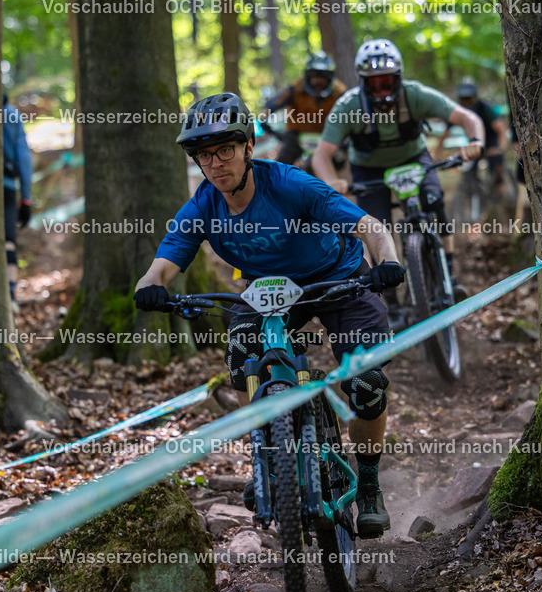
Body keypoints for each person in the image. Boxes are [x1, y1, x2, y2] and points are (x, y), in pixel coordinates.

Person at [133, 92, 405, 538]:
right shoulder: (204, 205)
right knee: (242, 356)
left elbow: (368, 226)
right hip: (270, 292)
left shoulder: (290, 185)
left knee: (367, 382)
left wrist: (387, 262)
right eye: (205, 154)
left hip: (338, 277)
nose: (216, 162)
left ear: (247, 147)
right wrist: (150, 288)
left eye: (225, 149)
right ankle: (265, 458)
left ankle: (369, 486)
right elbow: (164, 263)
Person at [311, 39, 485, 317]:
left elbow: (467, 117)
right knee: (375, 227)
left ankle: (449, 274)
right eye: (374, 84)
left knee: (434, 202)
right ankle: (390, 300)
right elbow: (321, 155)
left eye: (387, 83)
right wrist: (332, 181)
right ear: (363, 83)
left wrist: (475, 140)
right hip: (369, 169)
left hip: (413, 158)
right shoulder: (348, 105)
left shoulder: (415, 94)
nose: (381, 90)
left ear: (399, 79)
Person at [261, 51, 347, 168]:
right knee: (283, 163)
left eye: (322, 77)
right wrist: (264, 119)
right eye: (314, 77)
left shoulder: (340, 93)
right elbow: (273, 104)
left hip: (327, 137)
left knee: (338, 160)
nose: (318, 82)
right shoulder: (296, 89)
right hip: (296, 136)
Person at [436, 79, 510, 209]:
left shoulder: (484, 108)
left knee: (497, 167)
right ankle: (473, 205)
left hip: (491, 143)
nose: (466, 102)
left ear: (474, 97)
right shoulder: (458, 112)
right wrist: (438, 153)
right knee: (469, 174)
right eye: (463, 99)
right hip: (474, 145)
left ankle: (501, 197)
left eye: (469, 98)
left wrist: (500, 147)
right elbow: (444, 133)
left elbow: (501, 129)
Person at [2, 94, 34, 304]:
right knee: (8, 242)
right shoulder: (11, 115)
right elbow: (23, 158)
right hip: (7, 187)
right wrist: (26, 198)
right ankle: (11, 295)